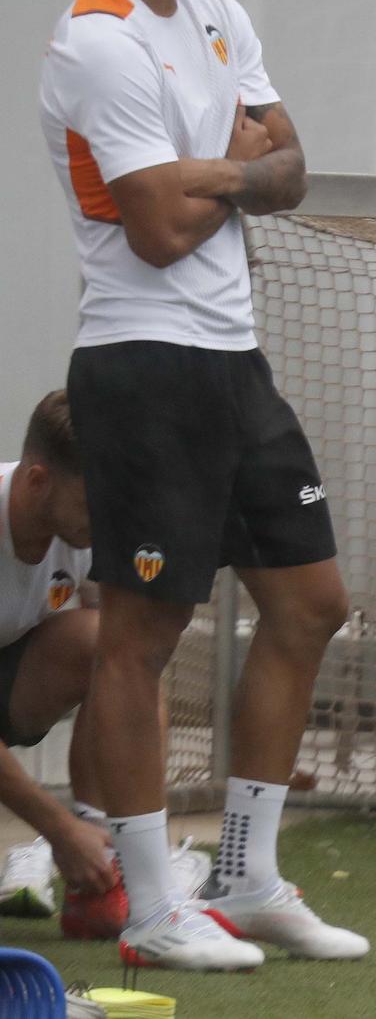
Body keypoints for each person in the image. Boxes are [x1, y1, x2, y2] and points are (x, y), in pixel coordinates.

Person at [38, 0, 366, 970]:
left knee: (311, 601)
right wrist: (241, 169)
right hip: (143, 365)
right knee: (141, 634)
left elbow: (294, 165)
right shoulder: (97, 38)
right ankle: (149, 904)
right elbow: (162, 233)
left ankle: (247, 872)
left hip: (234, 361)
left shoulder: (218, 11)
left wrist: (217, 171)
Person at [0, 392, 209, 937]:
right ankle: (56, 846)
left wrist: (91, 830)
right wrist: (56, 827)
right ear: (38, 481)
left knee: (119, 649)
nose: (107, 520)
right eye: (94, 504)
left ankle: (111, 871)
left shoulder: (83, 529)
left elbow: (126, 668)